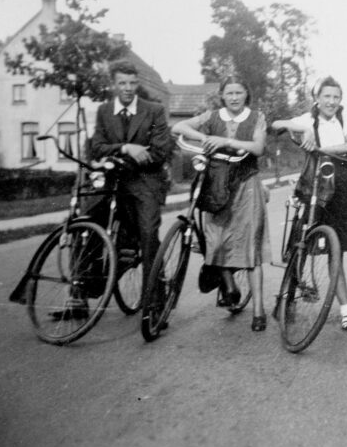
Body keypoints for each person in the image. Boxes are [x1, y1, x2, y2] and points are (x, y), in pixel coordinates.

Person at [271, 76, 347, 333]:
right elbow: (276, 124)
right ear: (317, 98)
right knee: (335, 248)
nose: (332, 102)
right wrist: (306, 130)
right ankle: (346, 311)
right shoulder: (306, 119)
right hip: (322, 184)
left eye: (336, 97)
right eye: (327, 97)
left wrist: (320, 148)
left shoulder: (344, 119)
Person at [172, 76, 271, 332]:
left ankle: (259, 311)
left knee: (250, 248)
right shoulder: (212, 116)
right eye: (230, 93)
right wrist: (203, 138)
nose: (235, 97)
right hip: (216, 184)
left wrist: (226, 141)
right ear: (223, 95)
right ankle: (229, 285)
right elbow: (178, 127)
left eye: (239, 92)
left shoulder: (256, 117)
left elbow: (258, 148)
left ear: (246, 95)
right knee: (215, 239)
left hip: (246, 184)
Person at [90, 60, 173, 296]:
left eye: (132, 83)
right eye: (122, 83)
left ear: (137, 83)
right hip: (113, 182)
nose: (127, 88)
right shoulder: (104, 111)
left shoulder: (153, 110)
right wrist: (128, 148)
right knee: (85, 220)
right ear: (113, 84)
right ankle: (82, 292)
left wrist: (114, 153)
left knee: (147, 233)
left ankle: (155, 297)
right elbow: (96, 148)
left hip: (145, 182)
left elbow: (159, 152)